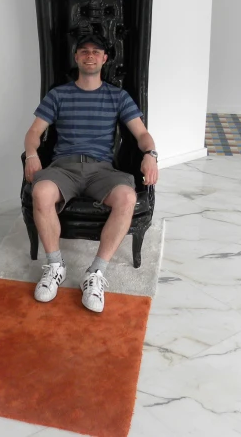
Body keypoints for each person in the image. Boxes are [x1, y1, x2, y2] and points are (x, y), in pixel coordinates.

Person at [24, 34, 158, 313]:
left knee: (127, 198)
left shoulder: (117, 96)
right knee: (41, 191)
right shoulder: (59, 94)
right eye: (84, 51)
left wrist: (151, 155)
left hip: (101, 169)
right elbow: (34, 132)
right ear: (76, 57)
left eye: (96, 52)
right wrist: (33, 155)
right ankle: (54, 266)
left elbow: (142, 134)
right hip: (65, 167)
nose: (90, 55)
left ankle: (95, 273)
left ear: (104, 59)